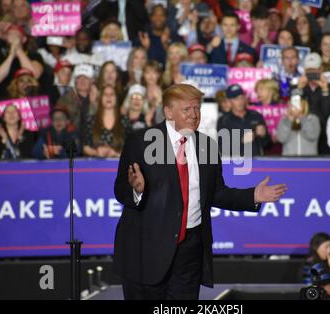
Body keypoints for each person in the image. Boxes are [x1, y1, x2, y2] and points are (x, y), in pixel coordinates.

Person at [113, 83, 288, 300]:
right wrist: (136, 190)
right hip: (146, 251)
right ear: (168, 112)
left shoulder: (207, 146)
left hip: (189, 252)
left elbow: (216, 193)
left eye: (197, 109)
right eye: (187, 109)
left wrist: (252, 195)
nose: (194, 115)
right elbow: (121, 190)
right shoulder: (140, 142)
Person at [297, 52, 330, 155]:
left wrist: (325, 89)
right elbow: (295, 111)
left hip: (324, 135)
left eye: (314, 71)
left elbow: (329, 113)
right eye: (309, 71)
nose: (311, 74)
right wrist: (299, 90)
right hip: (303, 134)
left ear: (321, 70)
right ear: (304, 71)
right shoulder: (297, 88)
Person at [217, 84, 271, 157]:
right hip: (235, 164)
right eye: (235, 99)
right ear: (229, 101)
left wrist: (264, 135)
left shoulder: (256, 116)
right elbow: (223, 149)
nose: (240, 101)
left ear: (245, 98)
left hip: (257, 163)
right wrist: (241, 141)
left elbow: (267, 145)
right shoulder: (223, 121)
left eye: (241, 98)